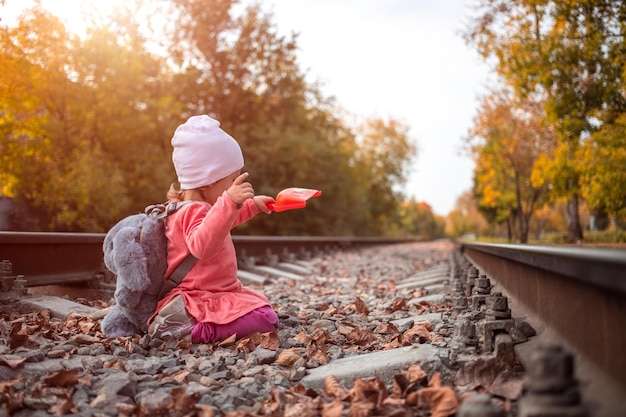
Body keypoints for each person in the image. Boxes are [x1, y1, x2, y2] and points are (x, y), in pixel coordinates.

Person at [147, 114, 279, 343]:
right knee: (265, 318)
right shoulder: (194, 210)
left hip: (213, 292)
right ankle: (191, 330)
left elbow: (221, 223)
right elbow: (202, 246)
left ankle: (185, 321)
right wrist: (229, 201)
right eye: (231, 180)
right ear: (209, 179)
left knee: (260, 305)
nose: (234, 186)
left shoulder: (184, 208)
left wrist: (252, 205)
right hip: (201, 296)